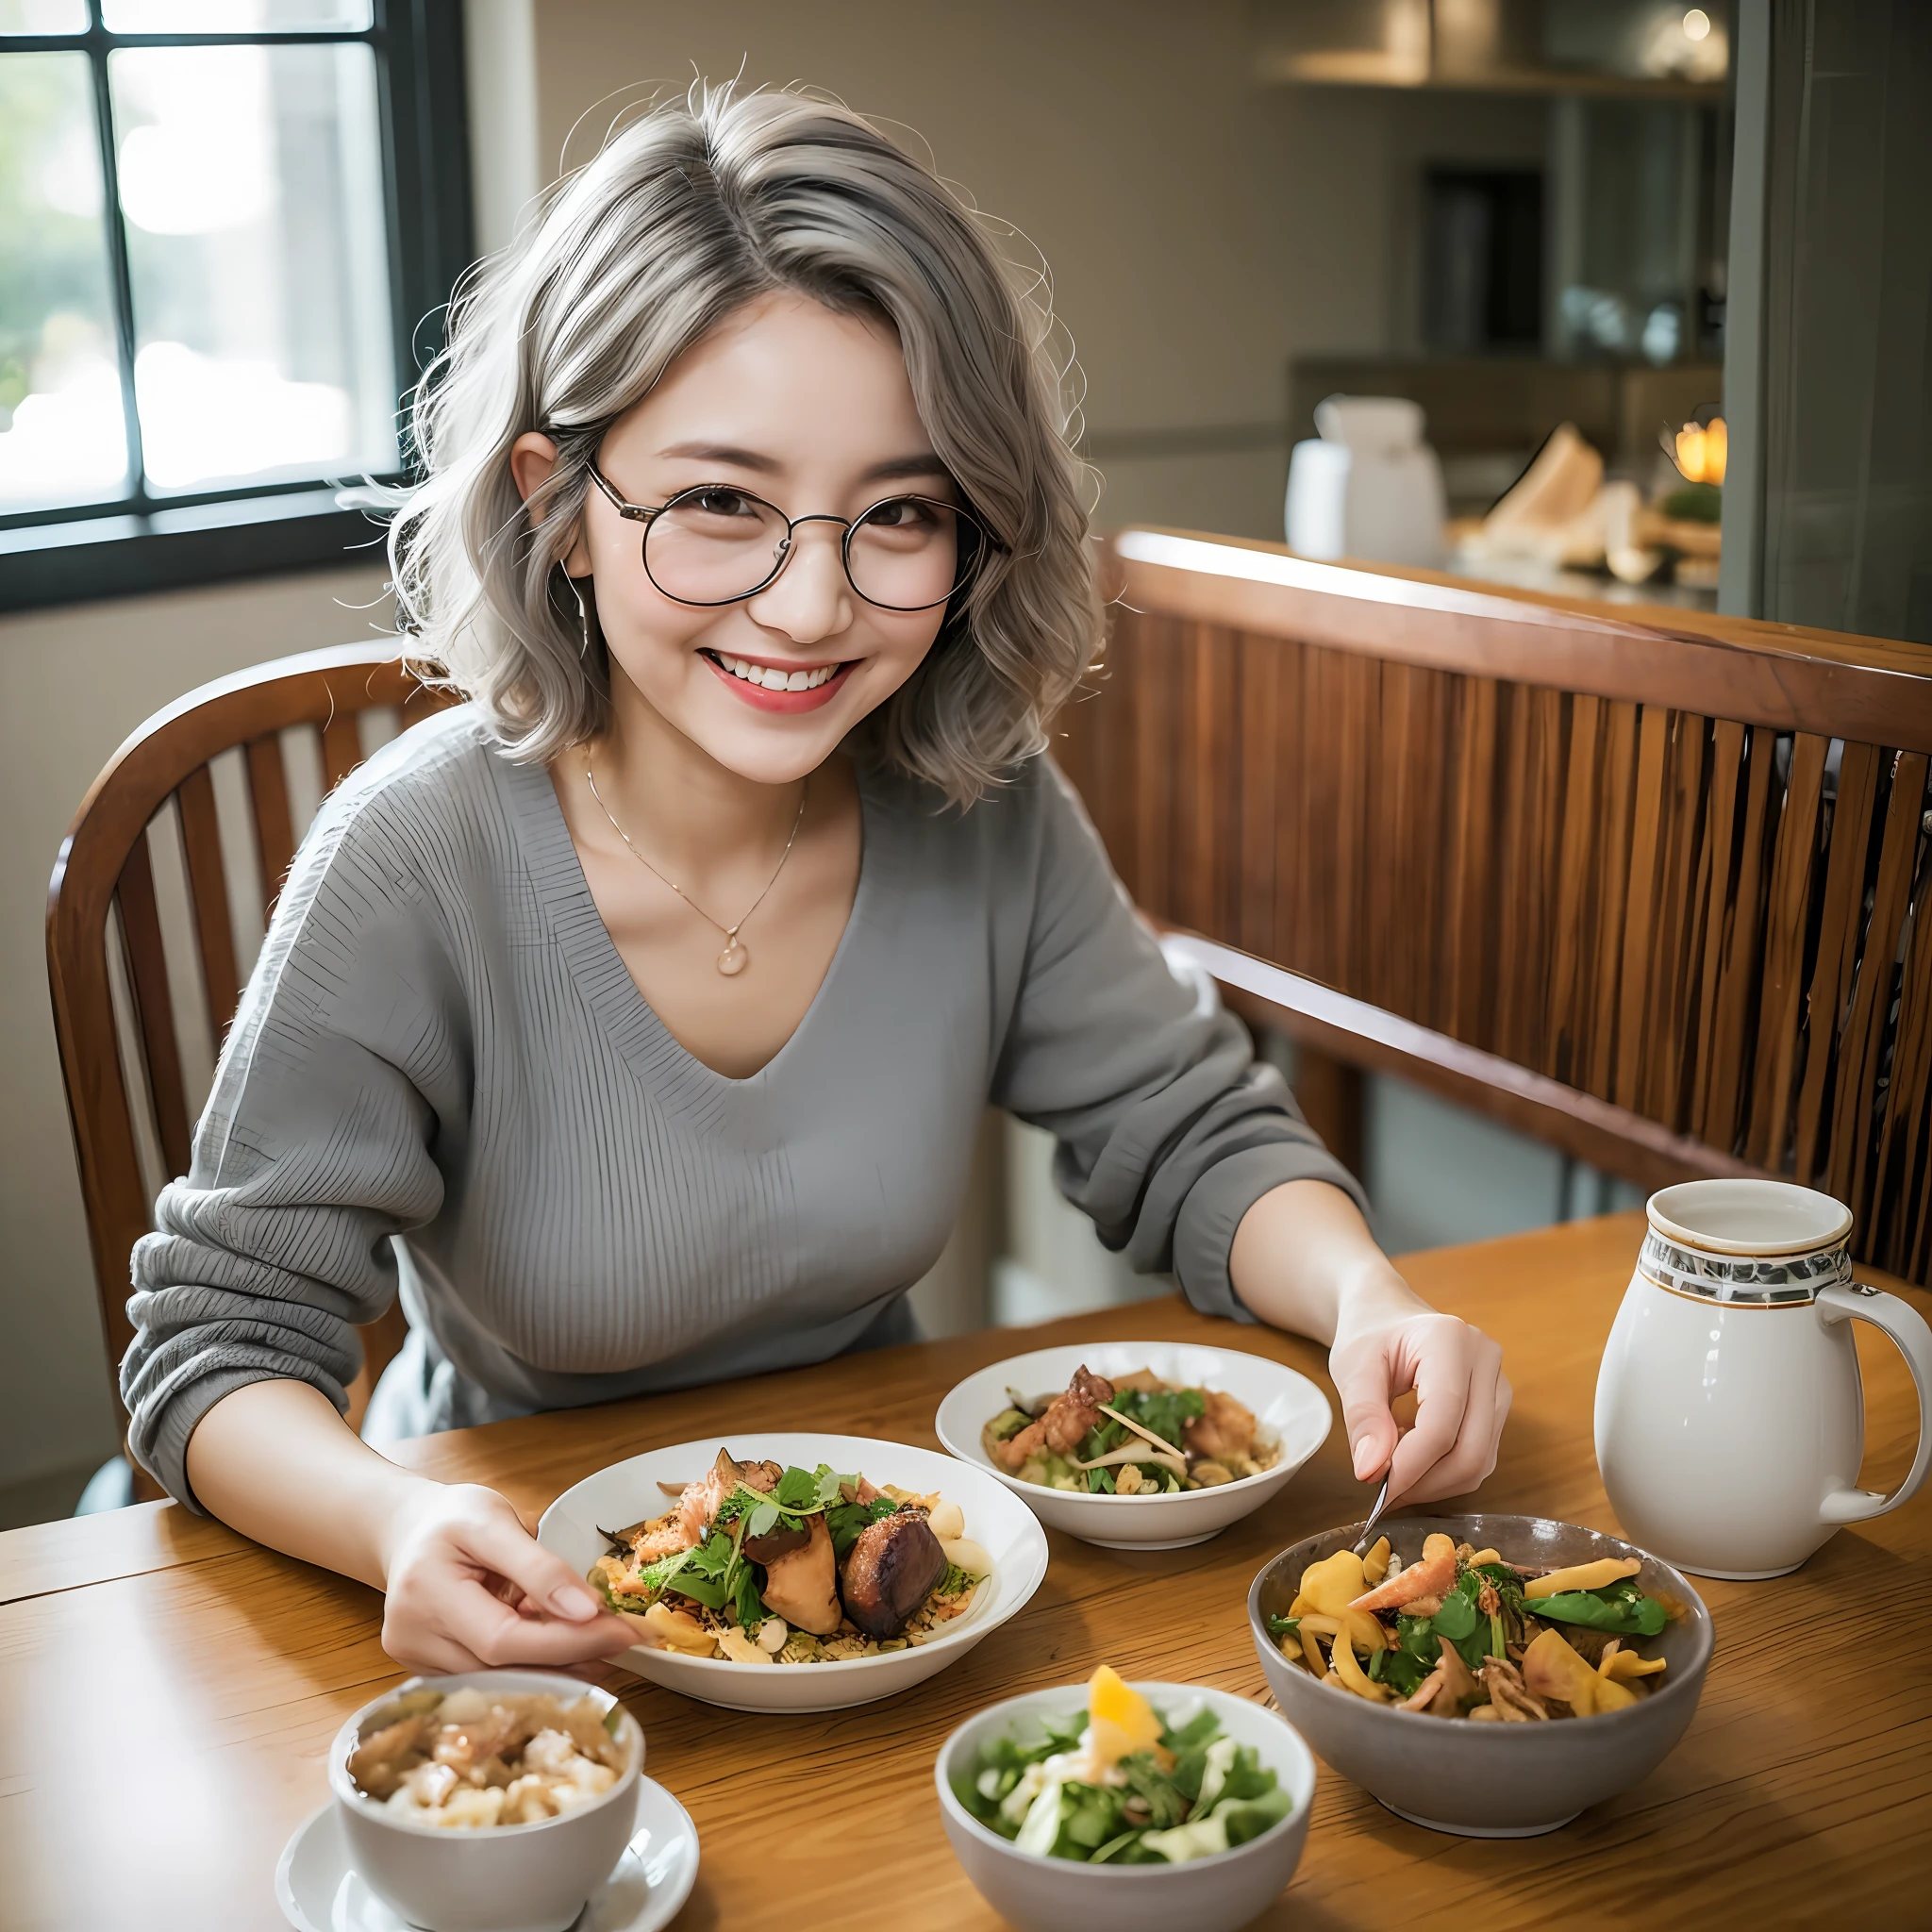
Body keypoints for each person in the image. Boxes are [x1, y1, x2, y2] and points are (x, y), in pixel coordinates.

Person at [121, 84, 1509, 1675]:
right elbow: (219, 1348)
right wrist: (393, 1522)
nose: (809, 605)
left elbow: (1188, 1131)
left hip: (898, 1585)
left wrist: (1369, 1299)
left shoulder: (978, 810)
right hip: (531, 1601)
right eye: (720, 502)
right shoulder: (412, 858)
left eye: (899, 514)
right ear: (557, 508)